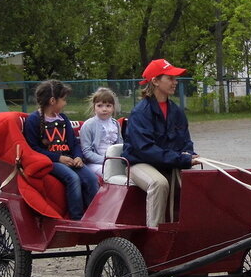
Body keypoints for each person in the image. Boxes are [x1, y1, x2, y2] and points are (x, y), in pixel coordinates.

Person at [123, 59, 200, 227]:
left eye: (175, 78)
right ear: (155, 81)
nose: (175, 82)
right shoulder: (140, 112)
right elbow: (145, 150)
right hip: (138, 163)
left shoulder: (176, 111)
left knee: (198, 182)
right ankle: (155, 233)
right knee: (158, 183)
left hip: (166, 161)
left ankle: (187, 229)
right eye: (170, 78)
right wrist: (180, 159)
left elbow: (185, 140)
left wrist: (188, 153)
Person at [23, 80, 99, 220]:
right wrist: (58, 158)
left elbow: (74, 143)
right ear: (53, 100)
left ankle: (94, 217)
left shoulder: (63, 118)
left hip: (69, 159)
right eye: (63, 100)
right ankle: (77, 219)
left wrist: (78, 157)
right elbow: (34, 149)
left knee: (91, 179)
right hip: (51, 161)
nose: (65, 103)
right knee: (73, 178)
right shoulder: (33, 120)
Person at [79, 87, 123, 178]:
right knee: (111, 174)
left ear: (113, 107)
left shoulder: (115, 124)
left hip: (114, 160)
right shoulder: (88, 125)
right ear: (94, 107)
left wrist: (118, 159)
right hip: (95, 163)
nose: (104, 109)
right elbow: (87, 152)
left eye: (108, 106)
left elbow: (120, 145)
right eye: (100, 105)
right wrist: (106, 160)